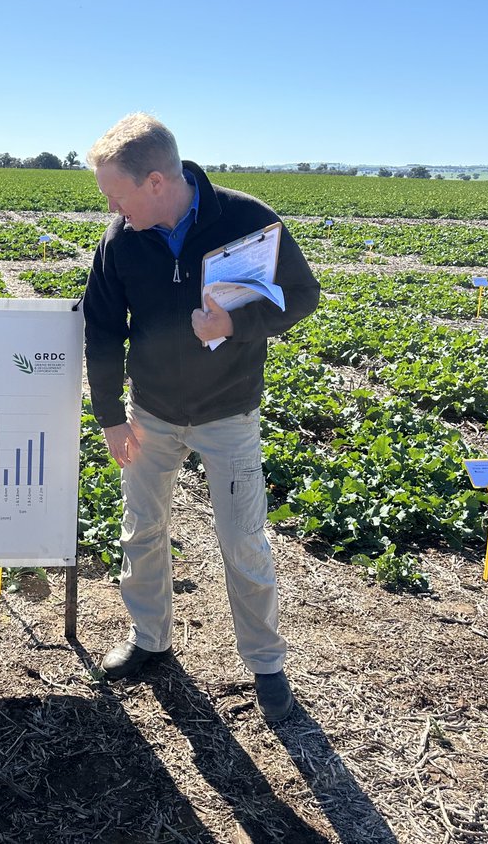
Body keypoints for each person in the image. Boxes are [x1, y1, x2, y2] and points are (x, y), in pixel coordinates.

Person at [82, 113, 320, 722]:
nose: (110, 205)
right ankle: (150, 639)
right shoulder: (120, 240)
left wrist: (235, 324)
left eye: (116, 192)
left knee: (243, 540)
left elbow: (303, 295)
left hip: (228, 413)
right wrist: (110, 416)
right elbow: (103, 330)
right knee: (142, 530)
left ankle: (266, 664)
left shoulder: (245, 219)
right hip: (151, 414)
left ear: (156, 181)